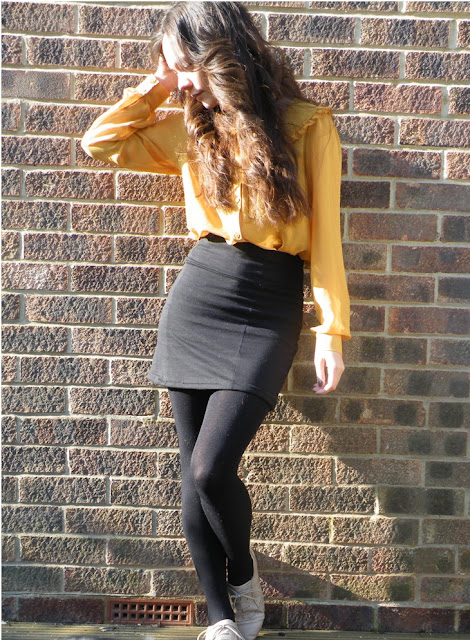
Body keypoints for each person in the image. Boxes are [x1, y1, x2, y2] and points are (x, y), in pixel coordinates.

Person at [82, 3, 350, 639]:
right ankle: (222, 618)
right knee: (191, 472)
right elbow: (102, 142)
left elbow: (327, 241)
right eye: (175, 71)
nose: (184, 83)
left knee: (210, 468)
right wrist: (156, 87)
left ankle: (243, 576)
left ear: (221, 57)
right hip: (199, 297)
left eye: (187, 67)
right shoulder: (191, 131)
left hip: (269, 306)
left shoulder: (307, 126)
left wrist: (331, 329)